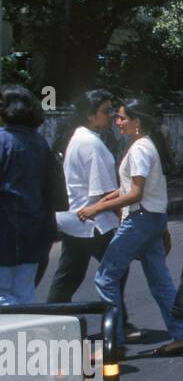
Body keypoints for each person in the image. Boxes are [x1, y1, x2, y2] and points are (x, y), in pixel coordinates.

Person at [85, 98, 183, 353]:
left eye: (122, 117)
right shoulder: (142, 145)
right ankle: (182, 334)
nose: (117, 121)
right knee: (160, 281)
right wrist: (106, 199)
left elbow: (136, 194)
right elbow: (127, 189)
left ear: (137, 122)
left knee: (105, 278)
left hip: (140, 218)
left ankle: (115, 342)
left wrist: (97, 209)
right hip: (151, 219)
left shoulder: (141, 148)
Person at [46, 91, 133, 334]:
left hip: (77, 220)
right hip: (93, 221)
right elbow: (105, 191)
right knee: (116, 269)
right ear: (90, 115)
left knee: (69, 275)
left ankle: (50, 322)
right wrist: (122, 216)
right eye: (106, 112)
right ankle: (118, 324)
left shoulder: (80, 137)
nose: (111, 117)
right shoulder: (92, 144)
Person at [0, 85, 63, 306]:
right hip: (35, 232)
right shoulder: (40, 143)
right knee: (24, 293)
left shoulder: (3, 141)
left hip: (6, 233)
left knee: (3, 294)